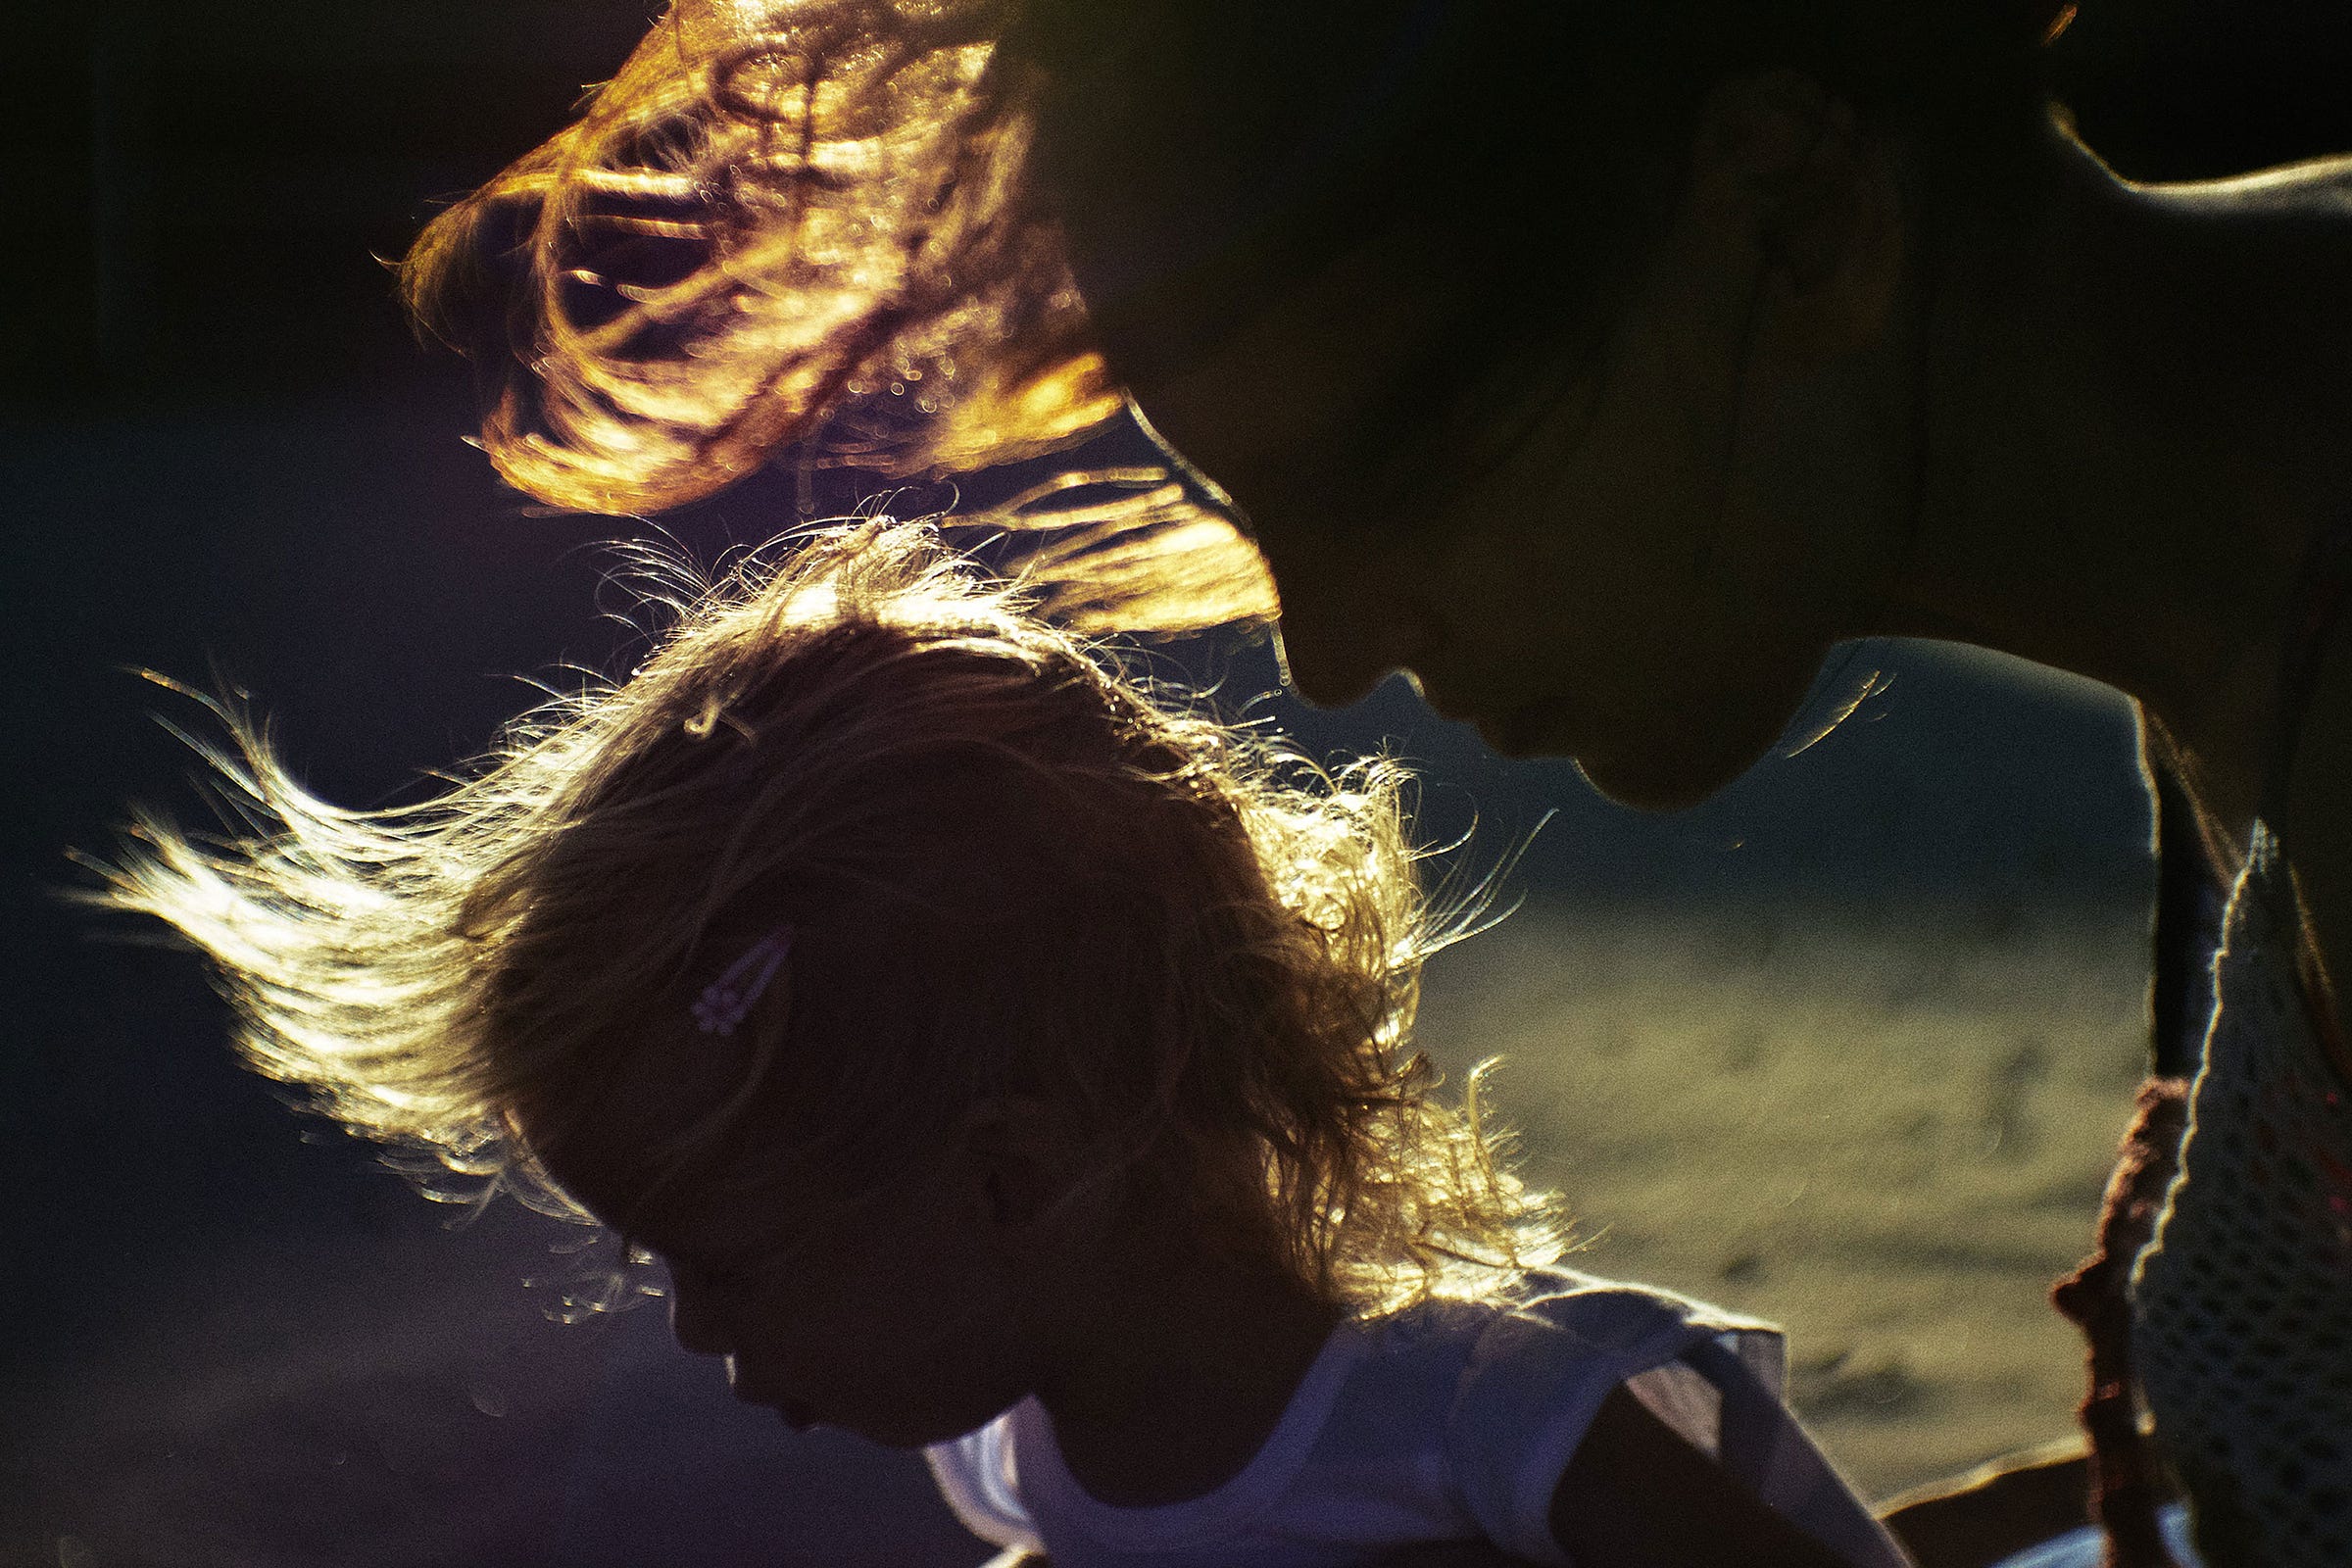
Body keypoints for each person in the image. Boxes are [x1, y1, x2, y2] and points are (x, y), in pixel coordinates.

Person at [397, 5, 2352, 1562]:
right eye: (1255, 525)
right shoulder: (2240, 548)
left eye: (1384, 477)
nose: (1324, 656)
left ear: (1791, 218)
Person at [83, 521, 1913, 1568]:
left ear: (1017, 1177)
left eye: (722, 1263)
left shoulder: (1492, 1424)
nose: (697, 1334)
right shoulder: (1022, 1452)